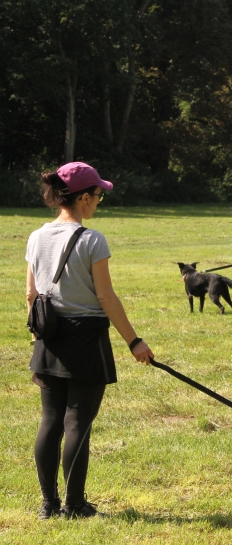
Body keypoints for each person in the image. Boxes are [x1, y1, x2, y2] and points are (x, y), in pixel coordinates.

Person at [26, 162, 154, 520]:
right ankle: (75, 505)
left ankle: (49, 505)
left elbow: (31, 294)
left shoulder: (36, 237)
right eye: (97, 195)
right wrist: (134, 341)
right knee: (77, 423)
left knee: (50, 421)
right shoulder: (92, 239)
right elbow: (106, 298)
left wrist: (41, 336)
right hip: (86, 340)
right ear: (83, 198)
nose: (99, 201)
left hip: (48, 338)